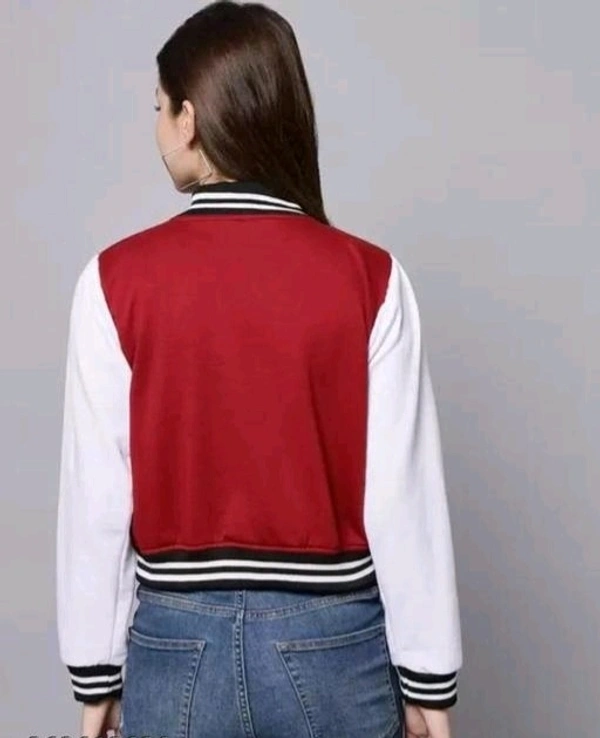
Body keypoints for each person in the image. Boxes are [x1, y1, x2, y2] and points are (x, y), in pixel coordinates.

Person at [55, 2, 463, 737]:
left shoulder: (114, 280)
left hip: (175, 646)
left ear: (188, 118)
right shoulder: (369, 277)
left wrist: (96, 671)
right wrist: (428, 678)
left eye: (158, 108)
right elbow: (403, 497)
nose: (157, 129)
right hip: (334, 648)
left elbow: (99, 498)